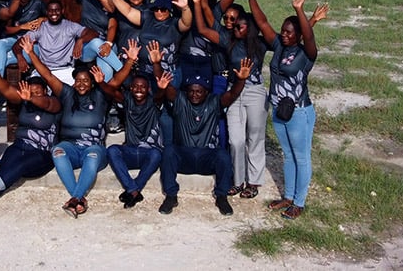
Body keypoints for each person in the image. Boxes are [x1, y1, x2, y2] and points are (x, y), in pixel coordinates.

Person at [20, 35, 117, 218]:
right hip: (70, 147)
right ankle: (78, 199)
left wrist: (102, 82)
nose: (81, 84)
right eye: (78, 80)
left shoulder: (100, 95)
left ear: (92, 82)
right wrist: (31, 53)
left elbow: (116, 88)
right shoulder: (67, 93)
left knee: (93, 155)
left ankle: (75, 197)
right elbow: (47, 75)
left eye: (86, 80)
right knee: (57, 151)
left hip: (93, 149)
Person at [248, 0, 319, 220]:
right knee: (287, 155)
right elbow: (262, 23)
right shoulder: (279, 46)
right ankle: (288, 197)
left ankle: (299, 202)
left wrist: (300, 10)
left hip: (299, 112)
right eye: (284, 31)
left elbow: (309, 37)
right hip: (279, 109)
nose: (285, 35)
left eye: (290, 32)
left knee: (301, 157)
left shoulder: (306, 53)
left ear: (299, 35)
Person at [192, 0, 268, 201]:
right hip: (234, 90)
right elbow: (204, 29)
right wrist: (198, 3)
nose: (235, 28)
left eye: (240, 26)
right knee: (235, 139)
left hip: (254, 92)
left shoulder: (261, 44)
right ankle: (237, 180)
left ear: (249, 27)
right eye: (235, 26)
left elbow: (263, 22)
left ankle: (253, 182)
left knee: (254, 138)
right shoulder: (228, 40)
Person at [0, 51, 61, 215]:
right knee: (7, 171)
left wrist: (31, 98)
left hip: (41, 154)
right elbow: (7, 89)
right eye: (30, 92)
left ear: (46, 91)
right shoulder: (25, 101)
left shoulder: (54, 103)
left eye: (37, 92)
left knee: (20, 167)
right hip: (19, 146)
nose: (33, 94)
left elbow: (46, 104)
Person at [158, 57, 253, 217]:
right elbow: (164, 84)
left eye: (199, 91)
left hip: (206, 158)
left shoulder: (214, 102)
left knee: (222, 154)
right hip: (184, 157)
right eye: (191, 91)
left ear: (206, 92)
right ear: (186, 91)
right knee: (168, 151)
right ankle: (171, 196)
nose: (194, 94)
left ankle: (221, 197)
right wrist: (156, 64)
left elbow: (232, 94)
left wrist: (241, 80)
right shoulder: (180, 100)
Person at [97, 40, 166, 208]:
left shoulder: (153, 101)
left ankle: (132, 190)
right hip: (130, 150)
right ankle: (134, 190)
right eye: (135, 87)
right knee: (112, 150)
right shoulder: (127, 99)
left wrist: (162, 86)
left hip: (148, 154)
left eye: (142, 87)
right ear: (131, 89)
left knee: (157, 154)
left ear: (148, 89)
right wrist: (100, 82)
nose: (139, 90)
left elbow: (160, 94)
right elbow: (111, 91)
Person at [11, 0, 98, 80]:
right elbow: (17, 44)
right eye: (51, 10)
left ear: (62, 11)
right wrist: (20, 57)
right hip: (44, 69)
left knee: (70, 93)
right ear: (46, 12)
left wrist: (80, 40)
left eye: (57, 10)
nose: (54, 13)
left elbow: (94, 33)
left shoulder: (70, 26)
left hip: (66, 69)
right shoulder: (40, 28)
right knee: (34, 91)